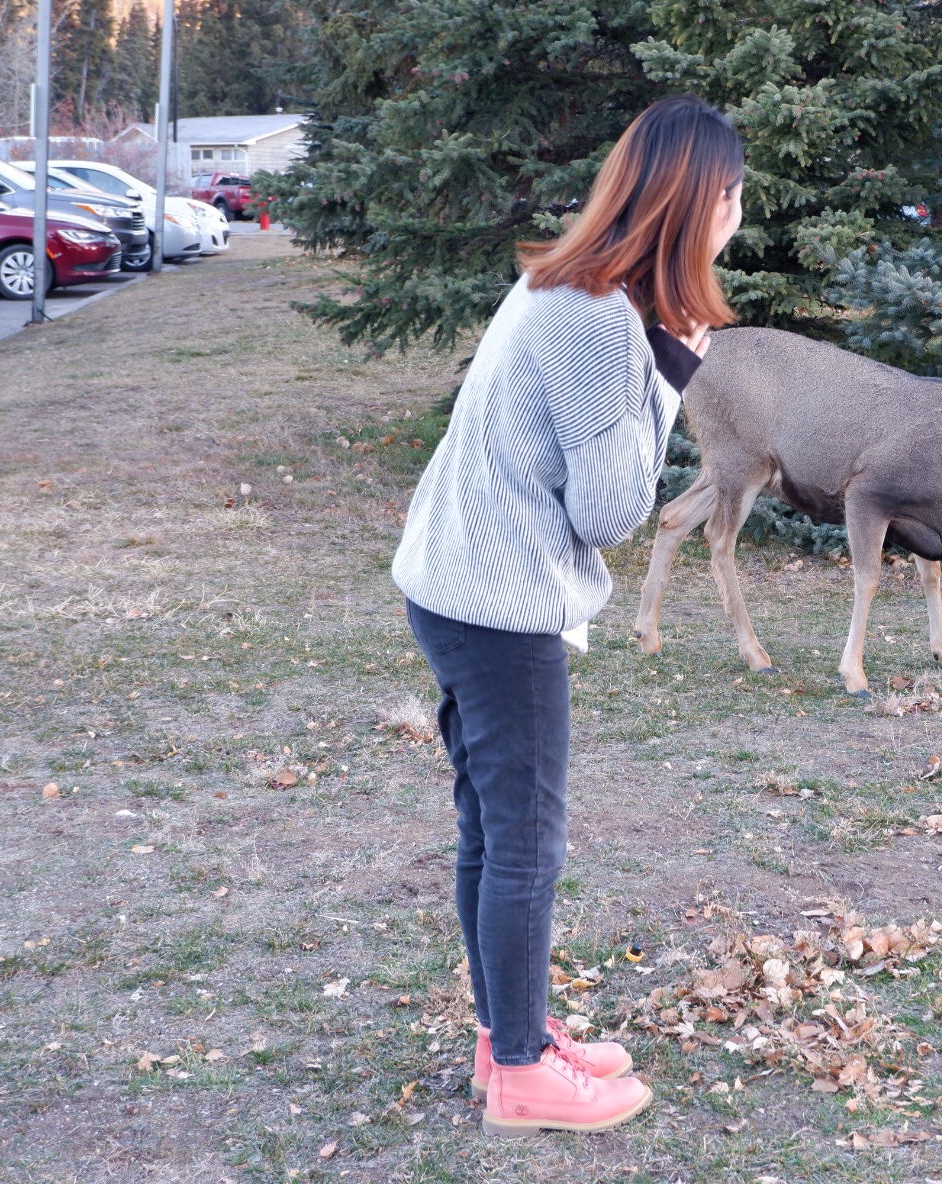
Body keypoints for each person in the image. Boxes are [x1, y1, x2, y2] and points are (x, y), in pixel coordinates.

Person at [391, 94, 745, 1137]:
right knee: (526, 840)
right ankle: (517, 1068)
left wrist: (664, 355)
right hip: (496, 606)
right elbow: (612, 511)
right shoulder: (598, 321)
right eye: (728, 192)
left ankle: (513, 1028)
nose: (738, 210)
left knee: (493, 828)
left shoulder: (562, 282)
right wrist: (677, 364)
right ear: (691, 204)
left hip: (451, 585)